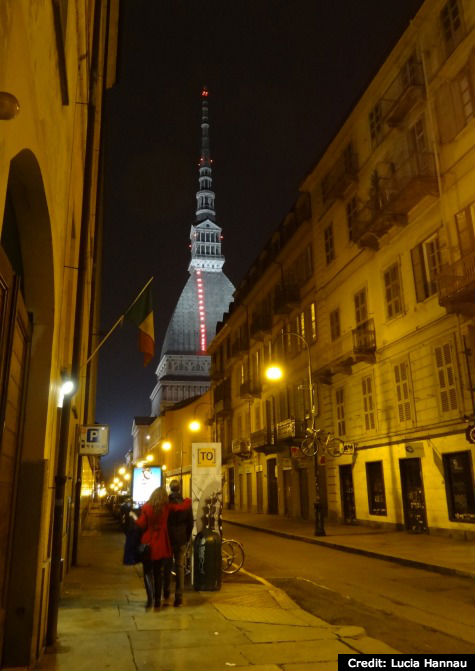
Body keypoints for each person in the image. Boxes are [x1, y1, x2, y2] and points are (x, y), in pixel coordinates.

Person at [136, 486, 191, 609]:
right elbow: (180, 507)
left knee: (148, 572)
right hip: (161, 543)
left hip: (148, 542)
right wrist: (188, 500)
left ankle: (151, 598)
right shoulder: (166, 508)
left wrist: (134, 519)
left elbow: (141, 524)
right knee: (158, 573)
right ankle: (157, 601)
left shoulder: (146, 507)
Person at [163, 479, 194, 607]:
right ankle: (179, 597)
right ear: (179, 489)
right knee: (180, 567)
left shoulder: (165, 504)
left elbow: (163, 521)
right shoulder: (186, 504)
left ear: (170, 488)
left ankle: (166, 592)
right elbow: (190, 523)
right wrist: (186, 538)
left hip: (168, 539)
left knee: (167, 566)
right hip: (181, 538)